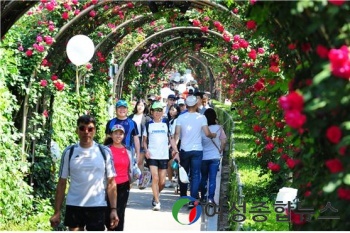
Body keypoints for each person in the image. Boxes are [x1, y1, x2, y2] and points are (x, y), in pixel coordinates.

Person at [50, 115, 118, 231]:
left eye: (90, 129)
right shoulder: (69, 152)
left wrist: (113, 209)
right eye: (82, 128)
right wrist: (57, 211)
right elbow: (62, 183)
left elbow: (111, 183)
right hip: (74, 205)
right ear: (77, 130)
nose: (86, 132)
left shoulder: (104, 152)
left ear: (95, 131)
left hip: (97, 205)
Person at [173, 96, 216, 208]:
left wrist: (175, 150)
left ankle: (183, 198)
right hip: (197, 150)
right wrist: (213, 135)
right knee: (195, 175)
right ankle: (192, 200)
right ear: (196, 105)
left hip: (184, 150)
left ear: (186, 105)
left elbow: (177, 135)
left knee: (183, 173)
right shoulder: (201, 117)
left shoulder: (181, 118)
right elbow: (207, 133)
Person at [143, 101, 179, 211]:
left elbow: (171, 138)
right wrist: (146, 150)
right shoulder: (148, 124)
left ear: (162, 112)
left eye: (160, 110)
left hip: (163, 155)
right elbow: (144, 141)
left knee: (162, 182)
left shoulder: (166, 123)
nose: (158, 112)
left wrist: (176, 151)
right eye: (155, 110)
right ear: (152, 112)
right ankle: (157, 202)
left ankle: (155, 195)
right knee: (155, 178)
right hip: (152, 155)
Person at [105, 124, 135, 231]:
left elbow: (131, 167)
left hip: (124, 185)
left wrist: (135, 176)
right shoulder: (106, 150)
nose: (118, 136)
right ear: (111, 135)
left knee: (120, 212)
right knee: (109, 211)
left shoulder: (128, 150)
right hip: (109, 185)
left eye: (121, 133)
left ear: (124, 136)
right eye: (116, 133)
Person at [200, 108, 227, 205]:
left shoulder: (202, 129)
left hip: (203, 157)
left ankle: (203, 196)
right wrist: (221, 149)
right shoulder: (219, 128)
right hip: (215, 156)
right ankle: (211, 198)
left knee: (203, 177)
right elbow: (224, 141)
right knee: (212, 178)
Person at [104, 100, 140, 169]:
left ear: (127, 110)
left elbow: (136, 139)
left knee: (128, 175)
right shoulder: (110, 122)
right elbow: (107, 139)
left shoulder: (132, 123)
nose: (122, 110)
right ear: (116, 109)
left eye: (124, 108)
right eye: (120, 108)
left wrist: (138, 154)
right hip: (113, 154)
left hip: (128, 153)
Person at [128, 99, 151, 176]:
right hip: (131, 140)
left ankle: (139, 179)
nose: (140, 107)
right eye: (138, 105)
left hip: (141, 140)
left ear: (145, 107)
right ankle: (131, 177)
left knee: (140, 161)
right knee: (131, 160)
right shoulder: (131, 117)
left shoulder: (147, 118)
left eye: (142, 105)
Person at [165, 104, 181, 188]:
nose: (172, 111)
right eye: (171, 109)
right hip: (169, 144)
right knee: (169, 163)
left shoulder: (177, 120)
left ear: (177, 111)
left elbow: (176, 135)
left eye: (174, 110)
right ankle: (170, 180)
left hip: (174, 145)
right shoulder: (170, 120)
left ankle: (179, 178)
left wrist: (173, 146)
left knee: (173, 163)